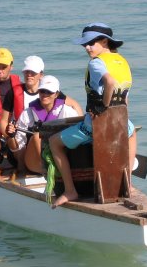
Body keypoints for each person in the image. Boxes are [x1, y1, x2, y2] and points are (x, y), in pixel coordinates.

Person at [49, 24, 134, 208]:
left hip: (95, 126)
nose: (87, 48)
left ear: (104, 42)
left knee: (54, 143)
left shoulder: (96, 63)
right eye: (84, 45)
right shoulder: (122, 61)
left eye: (90, 43)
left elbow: (109, 82)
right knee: (132, 133)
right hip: (120, 124)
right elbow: (125, 99)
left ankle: (70, 190)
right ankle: (129, 184)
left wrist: (103, 107)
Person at [4, 75, 80, 174]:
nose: (45, 94)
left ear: (56, 94)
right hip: (33, 161)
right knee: (36, 137)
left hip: (59, 157)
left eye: (49, 92)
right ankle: (49, 172)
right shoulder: (27, 113)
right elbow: (18, 149)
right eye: (42, 91)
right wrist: (11, 136)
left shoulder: (68, 112)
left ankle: (60, 171)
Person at [0, 55, 83, 138]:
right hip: (21, 136)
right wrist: (9, 138)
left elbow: (74, 104)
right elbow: (3, 120)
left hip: (44, 135)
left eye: (33, 72)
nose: (29, 75)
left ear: (41, 75)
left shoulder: (52, 91)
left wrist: (81, 126)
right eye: (27, 71)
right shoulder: (13, 93)